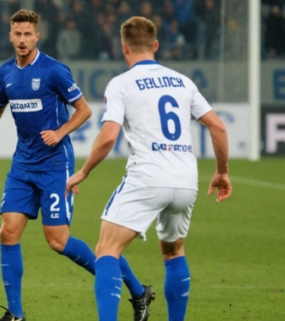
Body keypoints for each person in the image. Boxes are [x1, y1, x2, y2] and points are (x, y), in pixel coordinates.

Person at [0, 10, 151, 321]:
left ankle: (139, 291)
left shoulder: (54, 70)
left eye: (27, 34)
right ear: (10, 36)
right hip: (22, 164)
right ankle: (16, 315)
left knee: (57, 241)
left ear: (37, 36)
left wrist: (59, 132)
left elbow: (84, 110)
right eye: (17, 34)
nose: (22, 40)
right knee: (8, 232)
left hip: (55, 164)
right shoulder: (6, 72)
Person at [65, 16, 232, 321]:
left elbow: (109, 135)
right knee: (173, 252)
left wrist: (84, 170)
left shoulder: (121, 84)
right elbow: (218, 128)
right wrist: (222, 172)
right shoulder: (184, 81)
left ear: (123, 48)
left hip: (148, 176)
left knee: (107, 250)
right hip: (185, 179)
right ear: (155, 46)